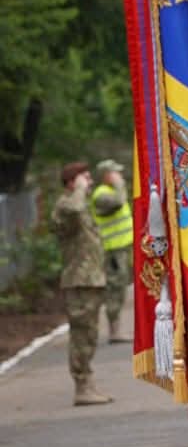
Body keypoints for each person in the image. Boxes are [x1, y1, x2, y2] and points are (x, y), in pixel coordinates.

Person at [51, 162, 113, 407]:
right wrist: (77, 189)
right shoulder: (67, 204)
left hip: (89, 279)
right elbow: (75, 209)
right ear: (70, 182)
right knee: (81, 334)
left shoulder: (79, 206)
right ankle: (82, 385)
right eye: (84, 178)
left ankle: (87, 382)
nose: (90, 181)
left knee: (89, 333)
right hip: (78, 281)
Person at [91, 158, 133, 343]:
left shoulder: (110, 191)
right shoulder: (102, 195)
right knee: (115, 289)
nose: (119, 176)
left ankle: (115, 329)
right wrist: (119, 185)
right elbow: (118, 202)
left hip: (122, 249)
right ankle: (114, 331)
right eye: (115, 173)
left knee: (120, 287)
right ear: (106, 175)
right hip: (112, 251)